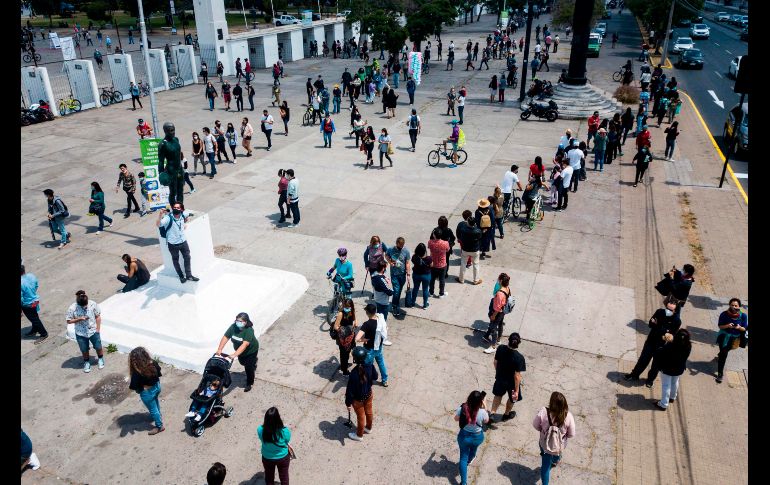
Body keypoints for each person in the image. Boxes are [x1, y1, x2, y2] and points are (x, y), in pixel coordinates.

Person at [624, 295, 682, 386]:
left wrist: (658, 326)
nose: (668, 309)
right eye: (668, 306)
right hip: (650, 341)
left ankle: (650, 380)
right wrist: (664, 330)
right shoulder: (659, 312)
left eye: (671, 309)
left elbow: (670, 336)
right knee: (643, 360)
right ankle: (634, 374)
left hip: (662, 346)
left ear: (676, 309)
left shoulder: (677, 321)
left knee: (656, 365)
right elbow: (651, 324)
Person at [533, 392, 576, 485]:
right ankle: (556, 460)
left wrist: (542, 430)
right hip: (559, 445)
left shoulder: (544, 411)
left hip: (545, 444)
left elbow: (535, 425)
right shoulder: (568, 416)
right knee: (557, 453)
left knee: (545, 466)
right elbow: (571, 434)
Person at [215, 312, 259, 392]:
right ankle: (253, 362)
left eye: (240, 321)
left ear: (245, 322)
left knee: (248, 368)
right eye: (237, 320)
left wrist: (235, 354)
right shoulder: (233, 327)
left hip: (251, 351)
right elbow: (226, 337)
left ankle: (249, 382)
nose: (238, 323)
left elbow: (244, 344)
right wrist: (220, 349)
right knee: (242, 363)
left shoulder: (248, 330)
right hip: (240, 352)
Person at [157, 202, 199, 283]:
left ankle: (189, 275)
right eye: (174, 207)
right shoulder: (168, 218)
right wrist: (160, 215)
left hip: (183, 241)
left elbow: (188, 214)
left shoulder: (183, 215)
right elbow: (158, 224)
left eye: (178, 208)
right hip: (173, 244)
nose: (176, 209)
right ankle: (181, 275)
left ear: (181, 209)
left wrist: (187, 219)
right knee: (175, 259)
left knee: (187, 257)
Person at [453, 390, 490, 485]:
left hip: (464, 437)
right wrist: (485, 406)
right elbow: (486, 421)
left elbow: (456, 419)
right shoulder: (482, 412)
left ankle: (464, 483)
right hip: (477, 437)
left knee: (462, 459)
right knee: (474, 448)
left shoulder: (463, 409)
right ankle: (471, 458)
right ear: (480, 402)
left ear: (469, 399)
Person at [65, 290, 104, 373]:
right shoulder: (72, 308)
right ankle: (86, 362)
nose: (85, 307)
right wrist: (79, 319)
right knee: (84, 349)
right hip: (80, 333)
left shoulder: (93, 304)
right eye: (83, 306)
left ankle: (100, 359)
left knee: (98, 346)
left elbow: (98, 316)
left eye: (86, 305)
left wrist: (98, 330)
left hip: (93, 331)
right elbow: (68, 321)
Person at [128, 346, 164, 435]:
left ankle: (159, 426)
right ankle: (158, 415)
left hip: (147, 392)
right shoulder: (153, 363)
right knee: (155, 403)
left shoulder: (137, 372)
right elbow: (159, 373)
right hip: (157, 387)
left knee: (152, 409)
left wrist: (139, 388)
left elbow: (134, 386)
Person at [489, 332, 524, 420]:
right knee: (512, 399)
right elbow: (517, 376)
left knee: (498, 395)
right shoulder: (519, 357)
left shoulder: (500, 348)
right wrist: (516, 391)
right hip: (511, 383)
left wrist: (499, 373)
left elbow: (495, 362)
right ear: (518, 343)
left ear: (508, 340)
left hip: (500, 379)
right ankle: (506, 414)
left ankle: (492, 414)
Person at [654, 329, 692, 410]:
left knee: (666, 385)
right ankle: (672, 397)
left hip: (667, 368)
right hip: (679, 368)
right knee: (674, 382)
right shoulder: (688, 345)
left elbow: (662, 352)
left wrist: (665, 342)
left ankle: (663, 404)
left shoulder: (671, 345)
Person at [345, 346, 378, 441]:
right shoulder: (370, 366)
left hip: (358, 400)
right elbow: (375, 377)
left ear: (355, 359)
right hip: (368, 394)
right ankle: (368, 428)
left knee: (361, 417)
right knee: (369, 412)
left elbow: (350, 392)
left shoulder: (353, 374)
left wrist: (348, 404)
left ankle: (359, 435)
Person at [257, 407, 293, 485]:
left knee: (269, 477)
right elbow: (287, 440)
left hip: (267, 457)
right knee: (284, 477)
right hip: (283, 457)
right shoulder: (284, 431)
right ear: (278, 419)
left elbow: (261, 438)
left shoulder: (260, 430)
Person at [715, 298, 747, 383]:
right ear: (729, 305)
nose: (733, 307)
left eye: (735, 305)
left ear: (739, 306)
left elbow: (744, 329)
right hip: (724, 337)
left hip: (735, 338)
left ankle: (721, 354)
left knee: (727, 350)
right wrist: (727, 326)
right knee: (723, 355)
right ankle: (720, 374)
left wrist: (739, 327)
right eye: (732, 305)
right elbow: (720, 326)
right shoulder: (724, 314)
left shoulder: (743, 316)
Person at [356, 303, 389, 386]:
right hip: (379, 347)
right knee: (381, 363)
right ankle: (385, 380)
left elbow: (357, 338)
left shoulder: (366, 324)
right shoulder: (381, 319)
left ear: (367, 313)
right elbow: (386, 329)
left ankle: (368, 382)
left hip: (369, 350)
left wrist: (363, 339)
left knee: (368, 366)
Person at [482, 273, 512, 353]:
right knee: (500, 324)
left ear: (501, 281)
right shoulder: (507, 288)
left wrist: (493, 316)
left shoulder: (499, 293)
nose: (497, 280)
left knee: (493, 328)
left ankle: (493, 346)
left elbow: (497, 308)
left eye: (498, 279)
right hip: (503, 311)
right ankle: (498, 340)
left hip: (497, 312)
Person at [21, 265, 49, 344]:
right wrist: (31, 293)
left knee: (34, 319)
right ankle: (34, 329)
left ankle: (44, 334)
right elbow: (36, 285)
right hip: (35, 300)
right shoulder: (31, 275)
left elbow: (21, 297)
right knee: (34, 316)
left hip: (27, 304)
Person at [385, 238, 411, 315]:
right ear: (396, 244)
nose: (401, 248)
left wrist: (408, 274)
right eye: (399, 246)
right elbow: (386, 255)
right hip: (394, 274)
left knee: (399, 291)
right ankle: (395, 306)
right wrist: (390, 262)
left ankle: (395, 303)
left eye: (402, 246)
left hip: (402, 275)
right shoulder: (390, 249)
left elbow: (407, 263)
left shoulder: (406, 251)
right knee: (396, 291)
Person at [333, 298, 358, 375]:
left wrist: (355, 323)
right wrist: (343, 330)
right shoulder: (341, 314)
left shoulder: (352, 311)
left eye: (348, 307)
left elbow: (354, 319)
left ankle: (346, 361)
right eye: (346, 307)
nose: (347, 308)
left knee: (351, 349)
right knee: (344, 354)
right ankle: (344, 370)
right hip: (343, 337)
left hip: (351, 335)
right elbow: (335, 326)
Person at [456, 215, 482, 285]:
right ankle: (476, 280)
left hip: (465, 249)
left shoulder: (463, 230)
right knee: (476, 265)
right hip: (475, 250)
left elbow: (459, 235)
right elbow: (480, 238)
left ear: (468, 223)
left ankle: (461, 279)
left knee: (463, 263)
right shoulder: (478, 231)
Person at [428, 229, 450, 298]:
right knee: (442, 280)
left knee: (432, 279)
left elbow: (429, 247)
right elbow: (448, 250)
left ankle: (431, 292)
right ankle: (441, 293)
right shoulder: (445, 243)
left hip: (433, 264)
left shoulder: (430, 242)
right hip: (442, 264)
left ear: (434, 235)